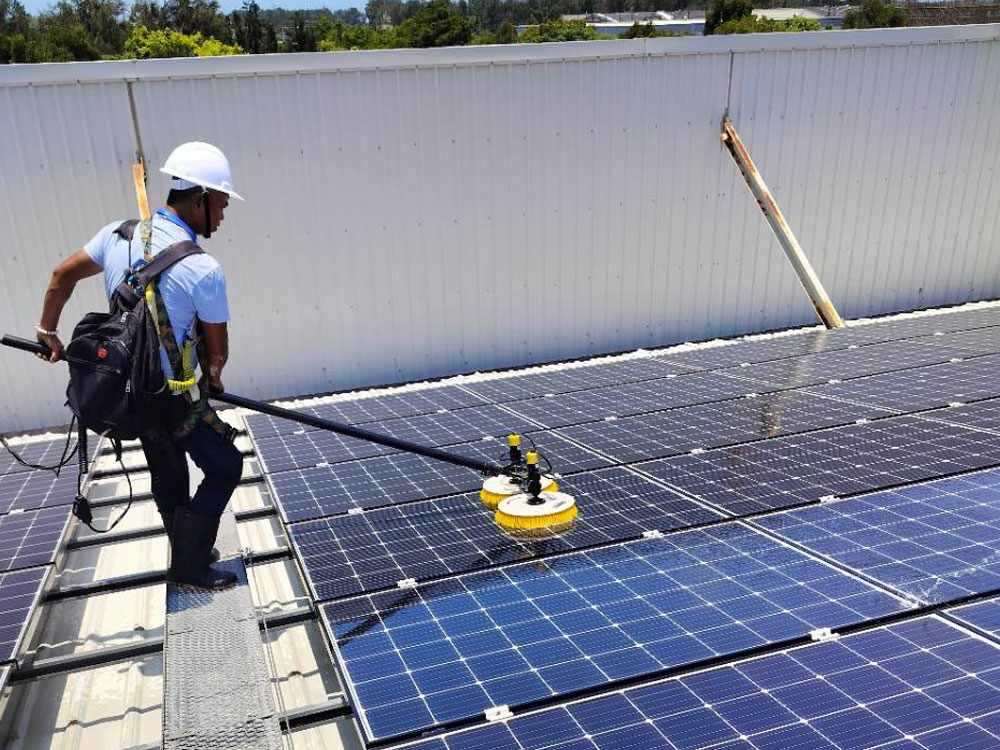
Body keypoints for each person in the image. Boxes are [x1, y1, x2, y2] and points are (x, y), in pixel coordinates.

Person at [34, 142, 244, 590]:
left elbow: (60, 277)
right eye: (221, 205)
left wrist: (47, 333)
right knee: (226, 466)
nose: (223, 217)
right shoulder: (203, 268)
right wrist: (215, 379)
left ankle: (190, 555)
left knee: (168, 477)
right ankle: (189, 567)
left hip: (128, 393)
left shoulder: (117, 234)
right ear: (200, 197)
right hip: (173, 399)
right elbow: (217, 354)